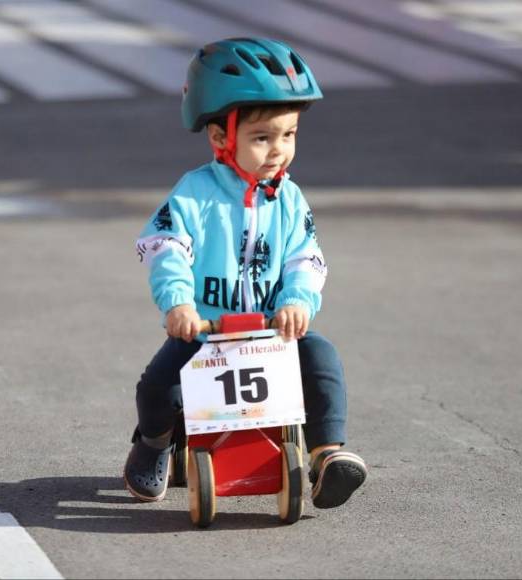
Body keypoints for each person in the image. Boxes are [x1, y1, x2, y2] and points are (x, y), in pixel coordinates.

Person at [125, 38, 367, 509]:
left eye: (289, 135)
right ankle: (154, 443)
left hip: (272, 333)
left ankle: (326, 455)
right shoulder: (195, 193)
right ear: (220, 137)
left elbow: (305, 256)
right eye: (262, 138)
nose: (278, 150)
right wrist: (179, 303)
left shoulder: (290, 199)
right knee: (158, 387)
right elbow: (165, 246)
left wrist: (298, 301)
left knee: (322, 360)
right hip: (206, 333)